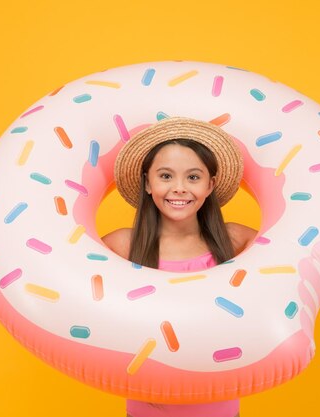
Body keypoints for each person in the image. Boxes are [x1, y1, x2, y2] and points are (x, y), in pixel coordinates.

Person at [103, 117, 256, 417]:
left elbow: (310, 243)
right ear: (148, 183)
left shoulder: (235, 240)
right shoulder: (123, 246)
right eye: (165, 176)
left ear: (210, 185)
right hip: (147, 408)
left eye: (194, 177)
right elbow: (46, 258)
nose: (179, 188)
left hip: (220, 408)